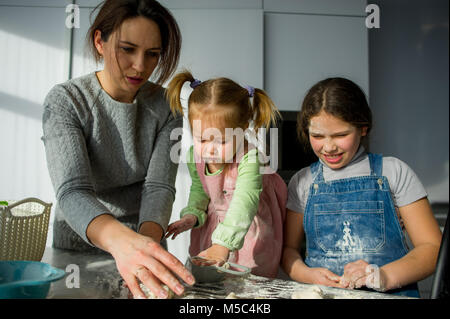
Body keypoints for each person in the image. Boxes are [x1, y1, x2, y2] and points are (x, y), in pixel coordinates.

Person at [41, 0, 195, 299]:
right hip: (78, 250)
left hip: (143, 242)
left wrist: (143, 250)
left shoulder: (168, 107)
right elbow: (73, 191)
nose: (140, 66)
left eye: (153, 55)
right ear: (100, 41)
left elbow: (159, 187)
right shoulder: (66, 101)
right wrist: (123, 243)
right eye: (127, 49)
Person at [282, 77, 442, 297]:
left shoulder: (393, 172)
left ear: (363, 128)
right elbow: (288, 251)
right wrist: (307, 274)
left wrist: (383, 276)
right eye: (317, 136)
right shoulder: (303, 182)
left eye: (341, 135)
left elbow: (433, 249)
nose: (328, 147)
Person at [164, 70, 287, 278]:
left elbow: (244, 202)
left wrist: (223, 245)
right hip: (214, 229)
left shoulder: (250, 158)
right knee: (212, 283)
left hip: (246, 229)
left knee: (246, 286)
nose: (209, 149)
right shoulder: (196, 155)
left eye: (220, 141)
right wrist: (192, 215)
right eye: (202, 139)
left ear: (241, 130)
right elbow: (200, 190)